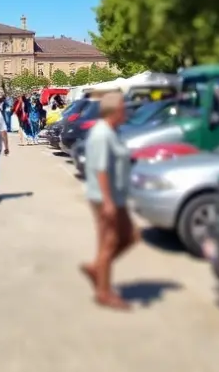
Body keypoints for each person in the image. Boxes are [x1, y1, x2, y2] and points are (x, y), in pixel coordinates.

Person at [80, 91, 134, 310]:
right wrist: (108, 201)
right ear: (115, 111)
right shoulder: (102, 134)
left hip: (114, 196)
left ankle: (97, 268)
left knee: (128, 236)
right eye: (123, 109)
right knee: (110, 242)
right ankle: (103, 291)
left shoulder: (111, 132)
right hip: (105, 197)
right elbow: (101, 169)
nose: (126, 112)